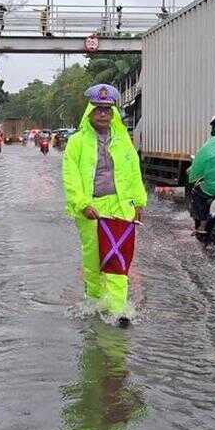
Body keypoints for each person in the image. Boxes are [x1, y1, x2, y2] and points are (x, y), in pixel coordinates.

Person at [62, 84, 147, 327]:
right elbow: (71, 177)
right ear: (90, 112)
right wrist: (82, 204)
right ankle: (95, 302)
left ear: (113, 114)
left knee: (118, 258)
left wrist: (139, 201)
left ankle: (119, 309)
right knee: (93, 260)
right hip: (92, 209)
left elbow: (134, 172)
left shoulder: (123, 141)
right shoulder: (76, 142)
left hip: (120, 207)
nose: (103, 114)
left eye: (107, 110)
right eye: (98, 109)